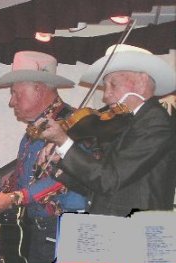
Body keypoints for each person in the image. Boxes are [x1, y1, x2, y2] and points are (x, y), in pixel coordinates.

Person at [0, 51, 89, 263]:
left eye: (16, 93)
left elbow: (63, 178)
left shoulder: (77, 125)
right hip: (37, 233)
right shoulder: (31, 134)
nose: (11, 101)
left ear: (38, 88)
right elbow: (20, 180)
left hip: (66, 232)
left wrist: (10, 199)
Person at [39, 44, 176, 217]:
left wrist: (64, 142)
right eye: (105, 86)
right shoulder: (131, 121)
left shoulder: (154, 122)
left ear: (141, 82)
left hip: (138, 233)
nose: (105, 95)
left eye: (113, 84)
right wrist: (59, 165)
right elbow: (100, 190)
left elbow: (109, 180)